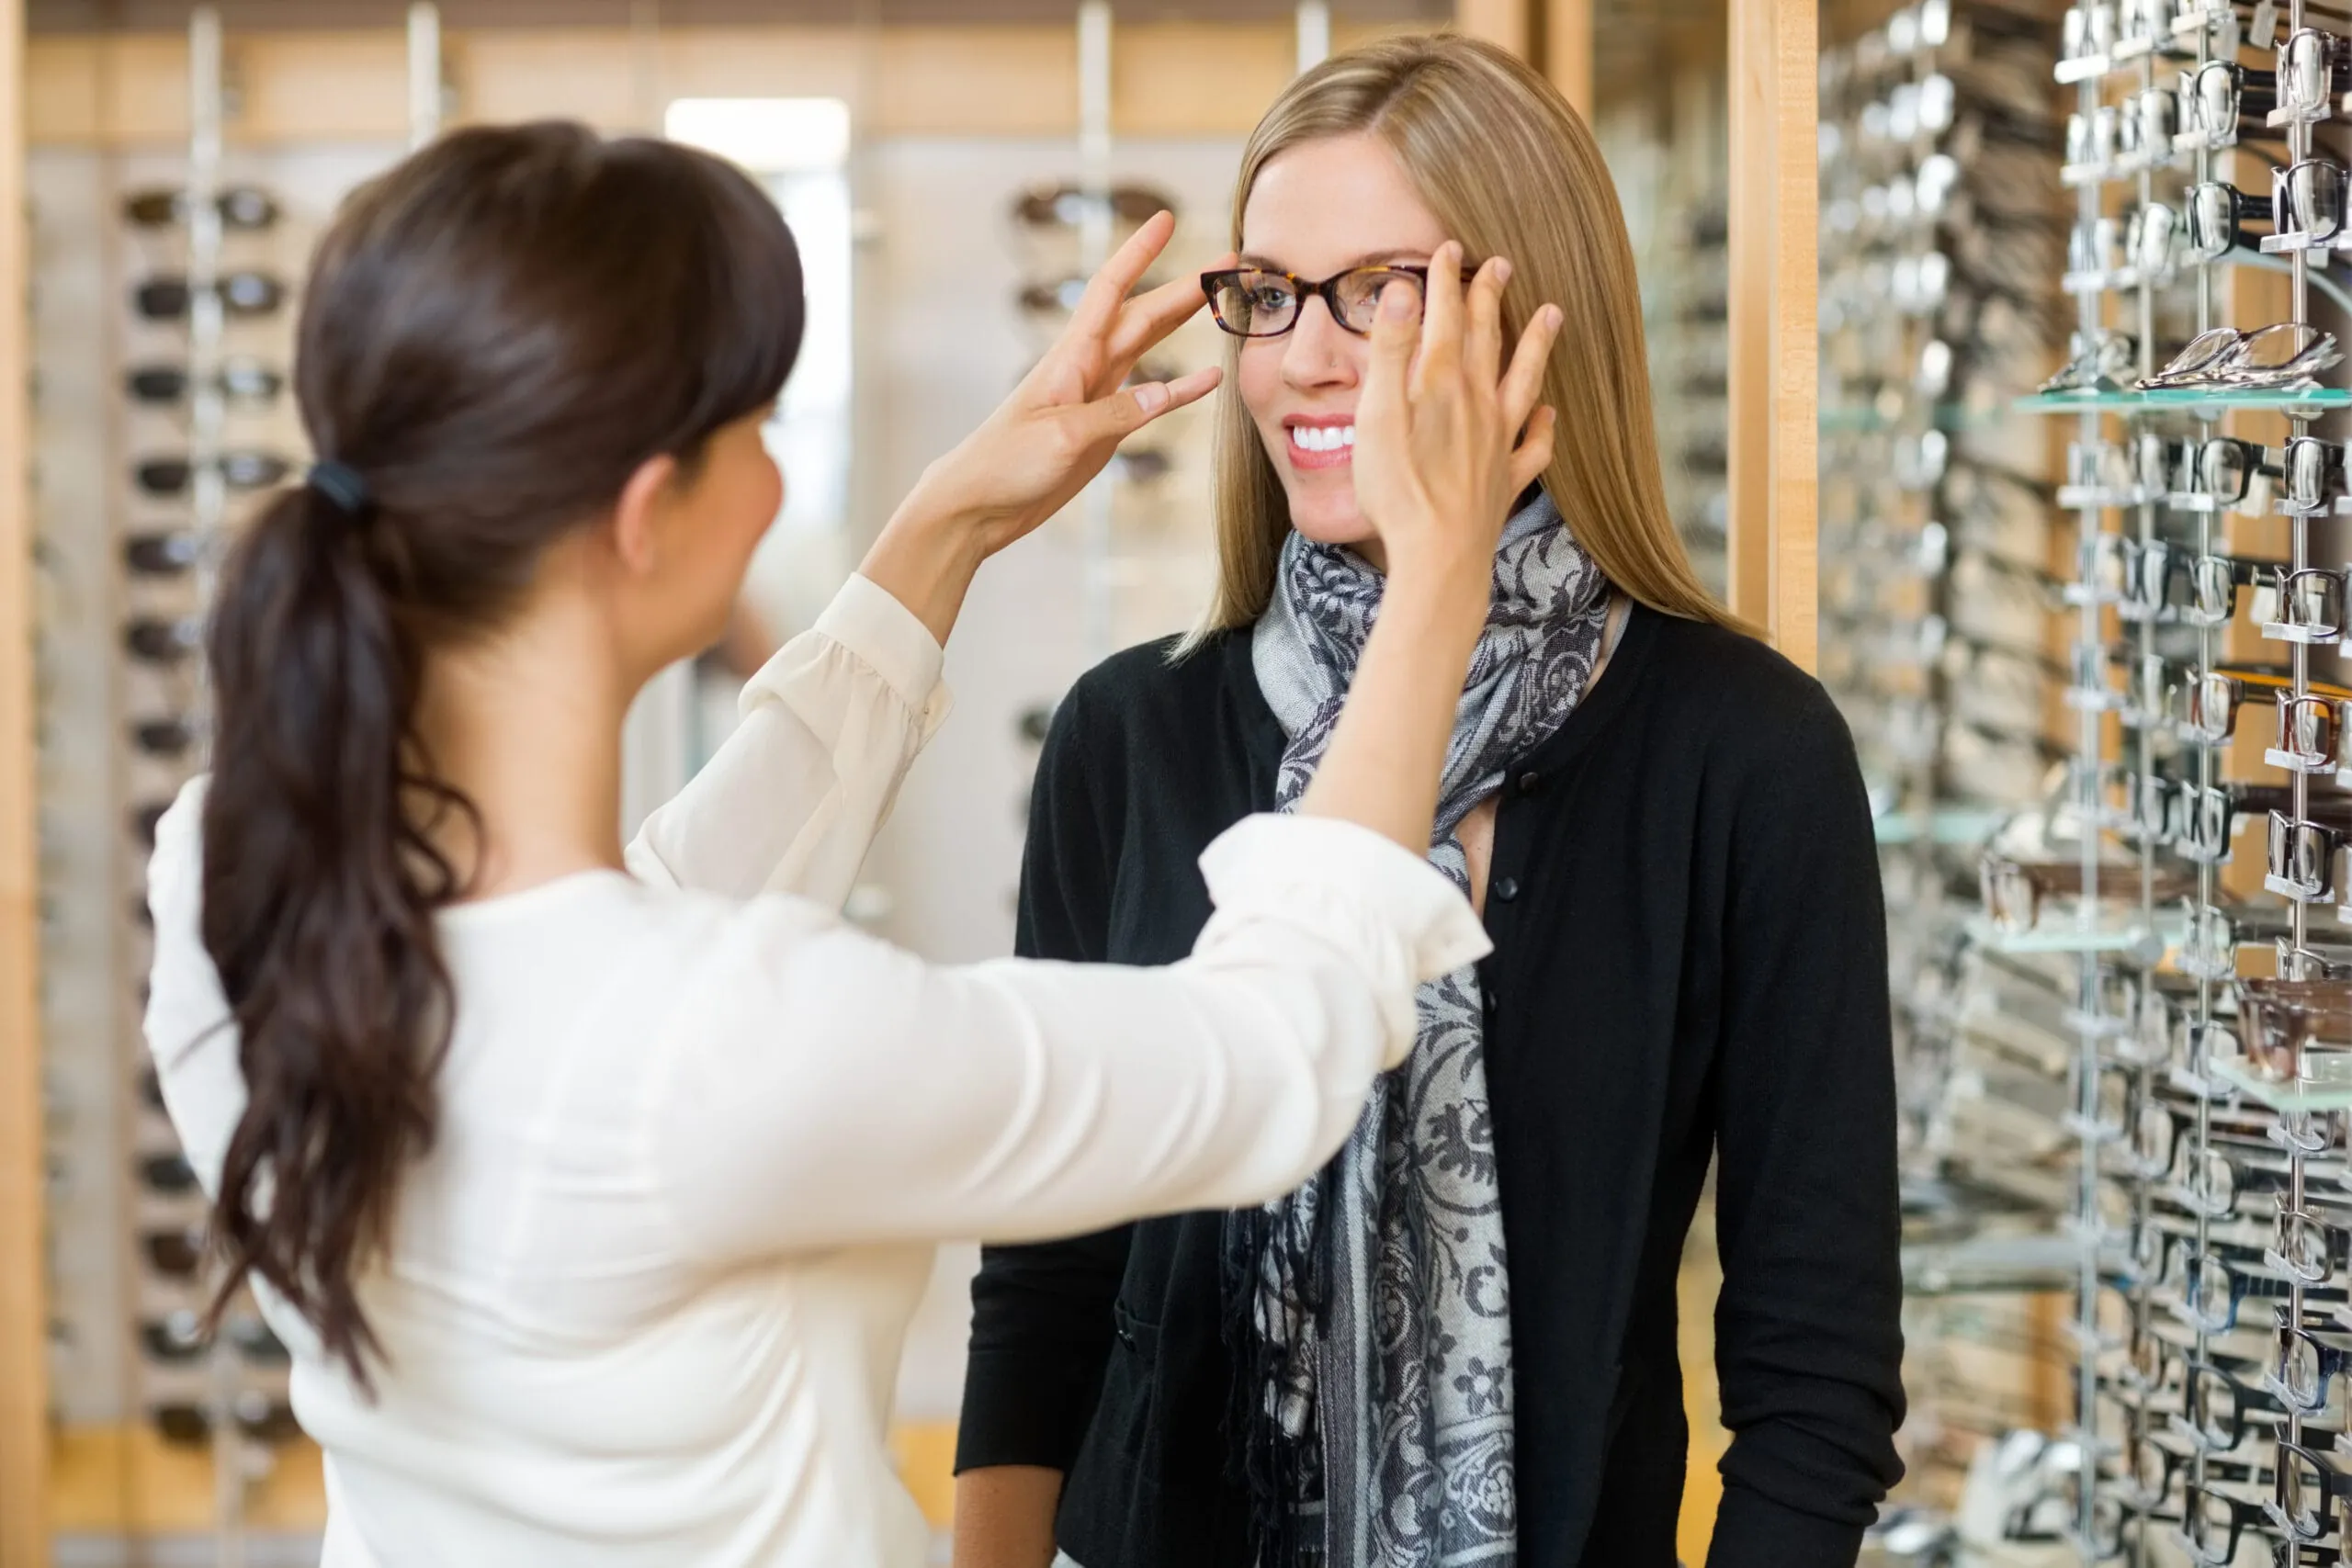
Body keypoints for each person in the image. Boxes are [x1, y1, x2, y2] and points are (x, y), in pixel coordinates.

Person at [141, 121, 1566, 1567]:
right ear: (647, 515)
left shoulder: (235, 876)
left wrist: (940, 531)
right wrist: (1439, 577)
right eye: (754, 428)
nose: (770, 482)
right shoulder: (730, 1039)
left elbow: (637, 913)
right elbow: (1274, 1056)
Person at [952, 35, 1905, 1568]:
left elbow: (1816, 1368)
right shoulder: (1130, 731)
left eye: (1384, 290)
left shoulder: (1747, 749)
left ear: (1535, 328)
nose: (1307, 356)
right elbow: (1047, 1271)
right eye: (1267, 292)